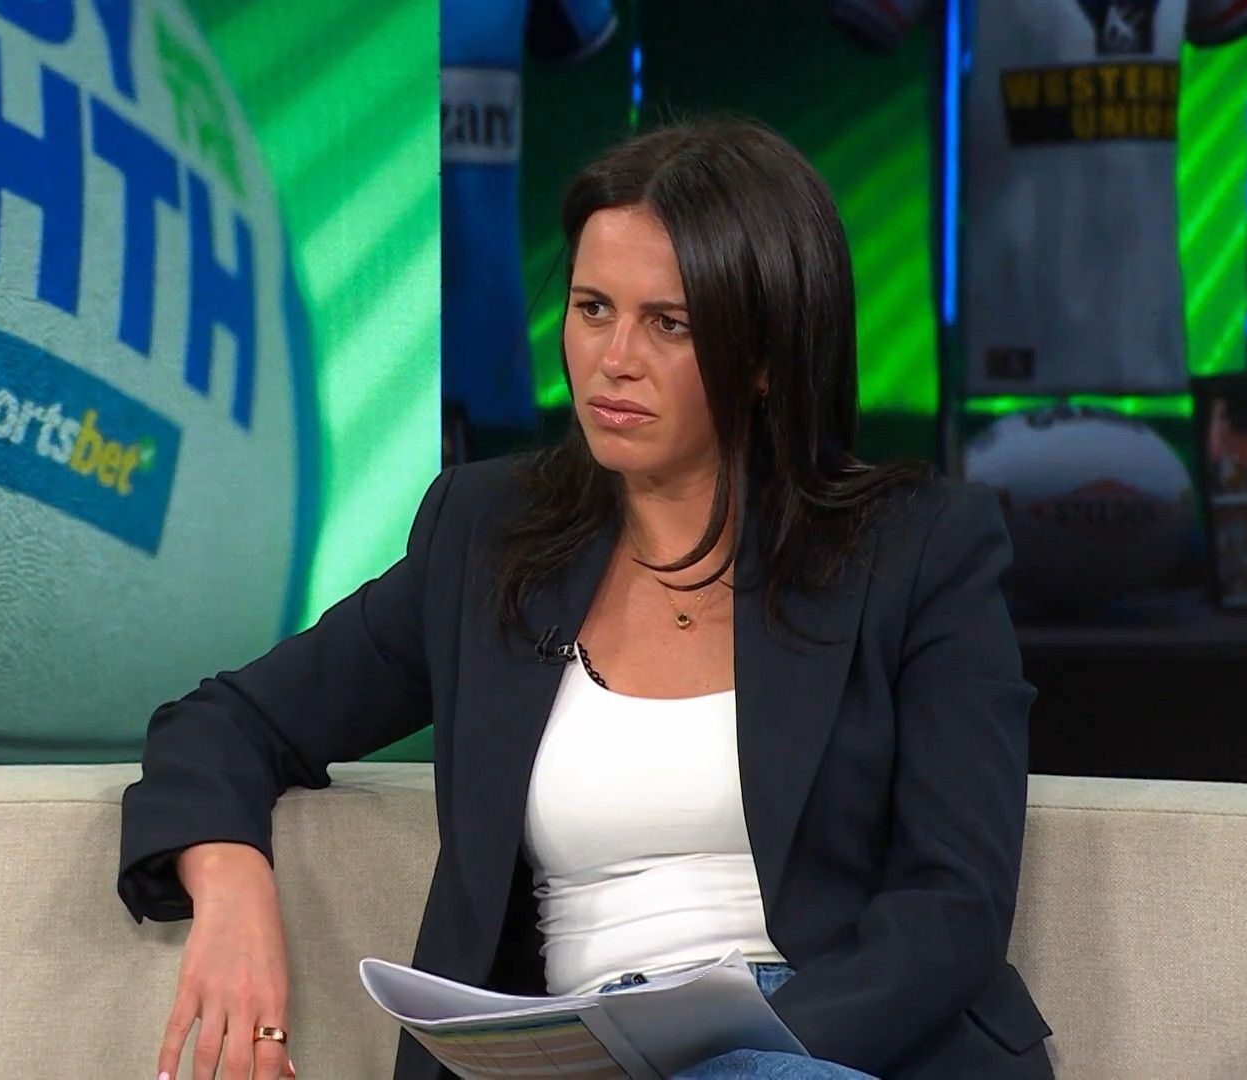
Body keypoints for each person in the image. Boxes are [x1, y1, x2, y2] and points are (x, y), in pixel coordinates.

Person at [117, 117, 1052, 1080]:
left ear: (767, 356)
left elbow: (953, 906)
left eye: (670, 323)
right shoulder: (488, 539)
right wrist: (232, 890)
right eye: (593, 308)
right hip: (578, 1046)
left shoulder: (917, 549)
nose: (615, 358)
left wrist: (739, 1053)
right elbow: (228, 722)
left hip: (828, 1047)